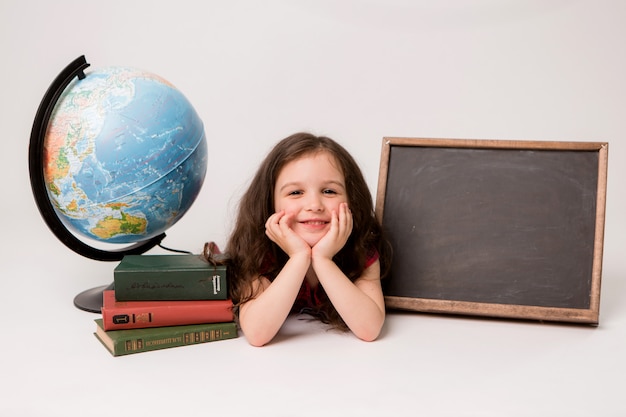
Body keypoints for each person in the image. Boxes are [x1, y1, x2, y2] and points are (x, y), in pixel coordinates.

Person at [211, 132, 391, 346]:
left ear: (351, 200)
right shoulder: (258, 251)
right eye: (296, 192)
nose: (314, 205)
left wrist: (323, 260)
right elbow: (258, 334)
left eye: (329, 191)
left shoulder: (361, 248)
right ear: (270, 203)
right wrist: (299, 257)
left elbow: (369, 329)